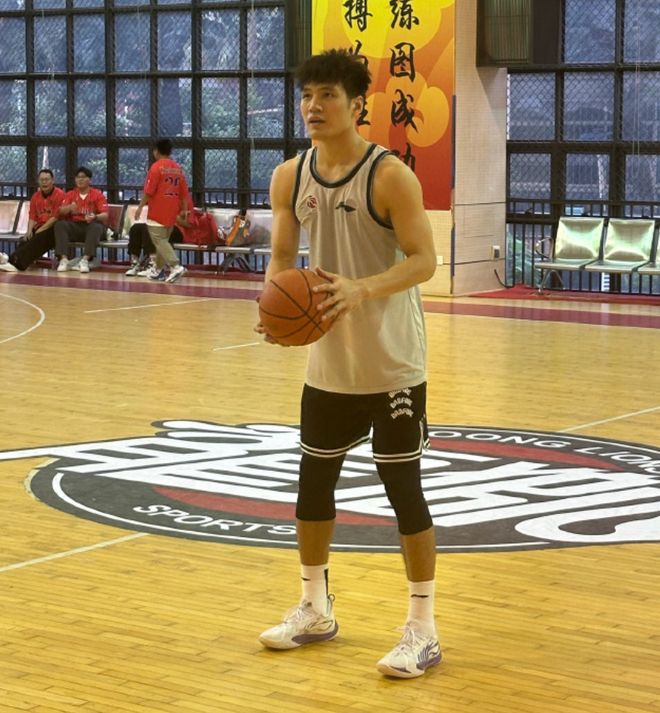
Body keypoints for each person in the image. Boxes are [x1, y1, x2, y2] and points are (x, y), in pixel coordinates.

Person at [255, 49, 439, 679]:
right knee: (313, 485)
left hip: (392, 362)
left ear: (358, 104)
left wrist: (361, 288)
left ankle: (422, 629)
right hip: (329, 362)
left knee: (403, 490)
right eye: (306, 95)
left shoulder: (389, 176)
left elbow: (424, 261)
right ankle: (314, 608)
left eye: (327, 95)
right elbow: (283, 259)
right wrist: (272, 306)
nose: (313, 106)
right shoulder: (289, 176)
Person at [134, 138, 189, 284]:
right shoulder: (177, 168)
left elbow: (149, 191)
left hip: (158, 210)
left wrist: (140, 207)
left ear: (156, 151)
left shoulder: (156, 167)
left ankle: (175, 266)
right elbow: (184, 193)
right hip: (172, 211)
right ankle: (158, 270)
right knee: (163, 241)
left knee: (159, 241)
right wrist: (184, 210)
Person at [0, 169, 65, 273]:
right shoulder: (36, 196)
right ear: (38, 181)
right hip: (39, 227)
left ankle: (17, 264)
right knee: (26, 239)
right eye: (42, 180)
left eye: (47, 179)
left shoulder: (60, 195)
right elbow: (32, 215)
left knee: (38, 239)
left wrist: (41, 230)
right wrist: (29, 230)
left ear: (52, 181)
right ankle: (12, 260)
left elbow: (55, 217)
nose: (44, 182)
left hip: (54, 229)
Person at [54, 166, 109, 273]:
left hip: (91, 225)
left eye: (83, 177)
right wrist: (69, 208)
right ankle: (64, 260)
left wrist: (95, 216)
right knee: (60, 224)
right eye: (78, 177)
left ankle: (85, 260)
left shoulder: (97, 195)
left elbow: (105, 215)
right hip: (75, 226)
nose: (80, 179)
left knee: (96, 227)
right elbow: (60, 211)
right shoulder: (70, 194)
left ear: (89, 180)